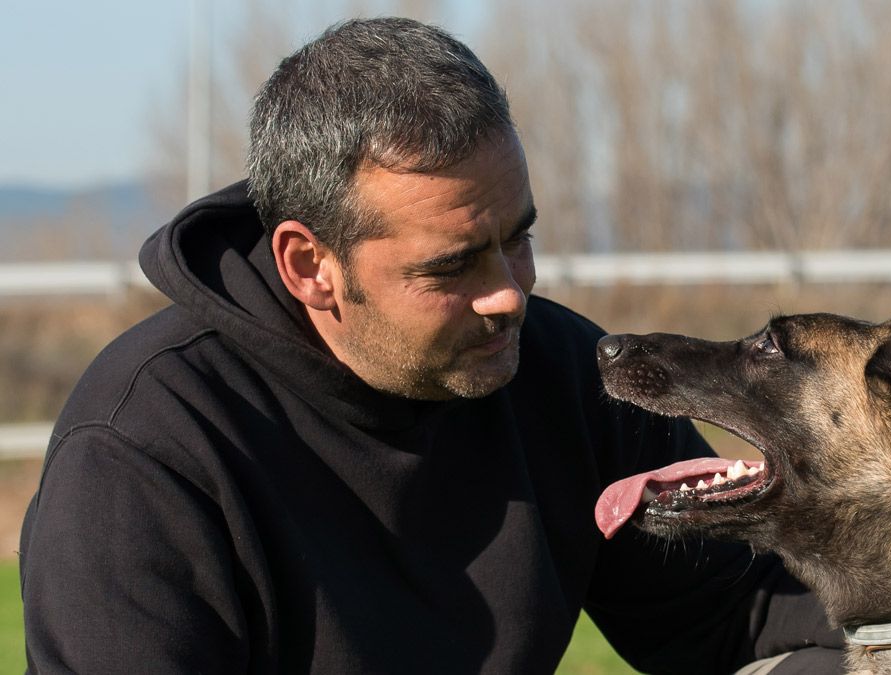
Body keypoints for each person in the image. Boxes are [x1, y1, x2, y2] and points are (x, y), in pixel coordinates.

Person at [19, 17, 842, 674]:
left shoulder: (559, 371)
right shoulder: (143, 454)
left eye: (518, 237)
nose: (509, 293)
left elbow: (752, 618)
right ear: (311, 266)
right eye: (451, 265)